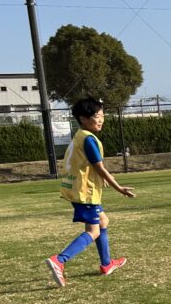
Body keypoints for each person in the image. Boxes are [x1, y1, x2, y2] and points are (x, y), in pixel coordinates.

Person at [45, 97, 135, 287]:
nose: (101, 120)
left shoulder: (80, 136)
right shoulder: (89, 139)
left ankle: (106, 264)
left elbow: (86, 165)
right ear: (83, 119)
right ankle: (59, 260)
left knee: (103, 221)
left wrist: (101, 177)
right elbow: (99, 167)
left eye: (102, 115)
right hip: (85, 192)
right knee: (93, 231)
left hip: (77, 188)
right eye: (96, 116)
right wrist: (119, 188)